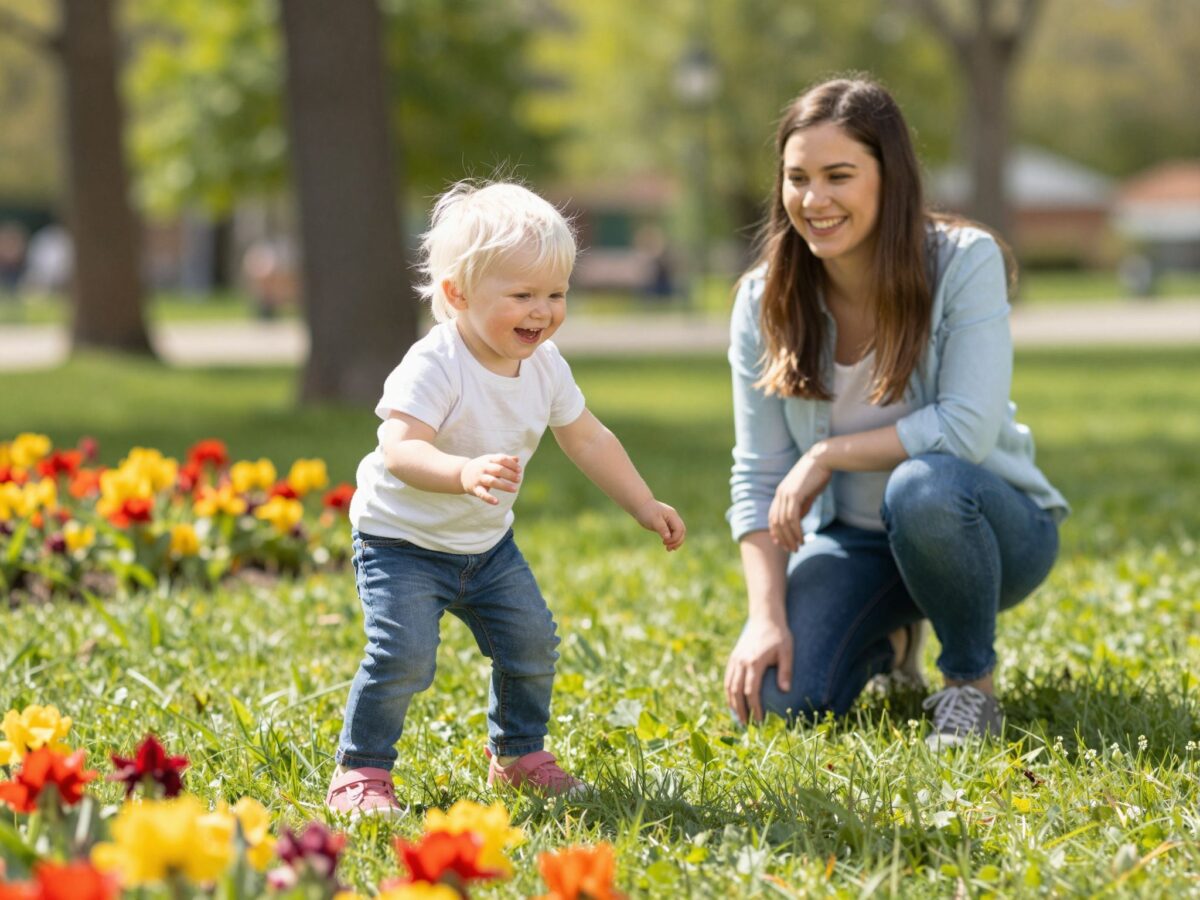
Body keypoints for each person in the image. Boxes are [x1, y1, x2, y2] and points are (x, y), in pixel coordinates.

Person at [722, 76, 1068, 748]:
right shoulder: (764, 300)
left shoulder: (965, 262)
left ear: (890, 176)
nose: (814, 199)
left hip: (988, 531)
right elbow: (757, 476)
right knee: (774, 703)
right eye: (797, 178)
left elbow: (963, 432)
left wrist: (827, 454)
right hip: (855, 543)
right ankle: (894, 639)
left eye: (838, 175)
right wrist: (765, 616)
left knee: (923, 485)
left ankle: (970, 686)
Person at [327, 181, 686, 816]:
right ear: (458, 295)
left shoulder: (546, 367)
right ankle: (362, 773)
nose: (542, 311)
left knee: (530, 644)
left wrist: (642, 502)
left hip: (486, 548)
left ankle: (518, 755)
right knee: (404, 655)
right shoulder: (436, 364)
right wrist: (461, 473)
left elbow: (588, 438)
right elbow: (399, 450)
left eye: (556, 294)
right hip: (401, 545)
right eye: (522, 295)